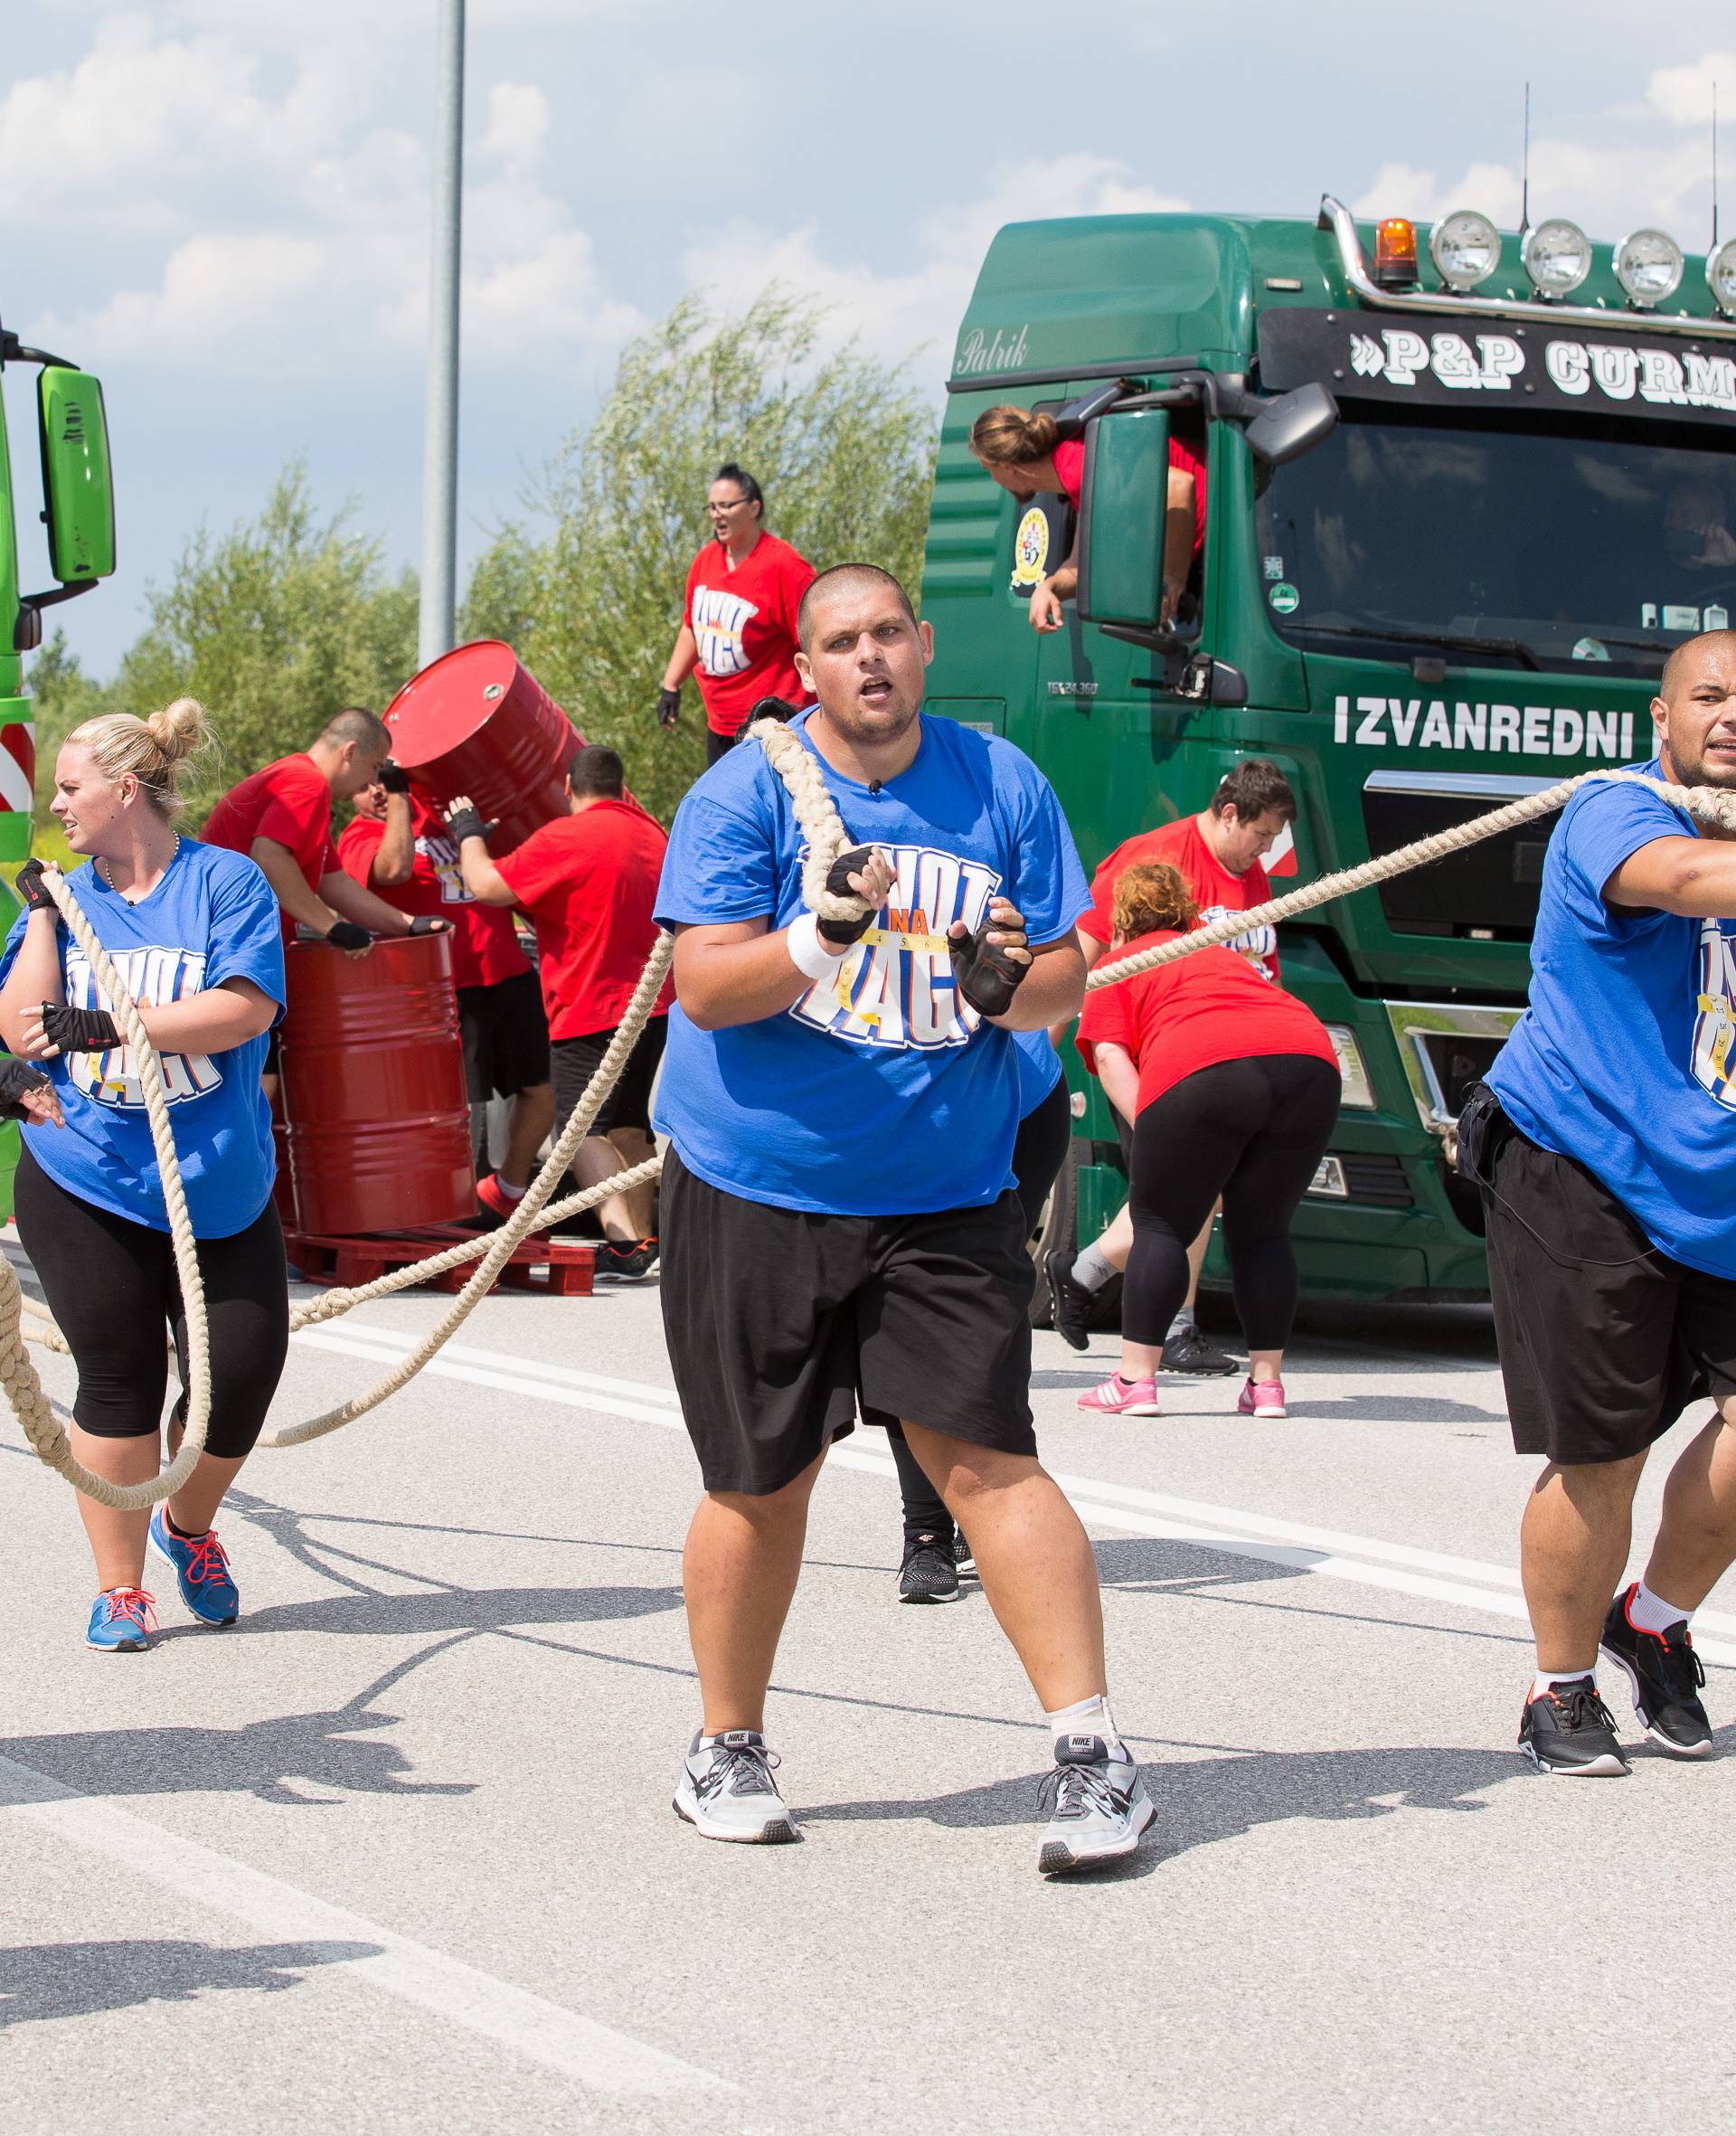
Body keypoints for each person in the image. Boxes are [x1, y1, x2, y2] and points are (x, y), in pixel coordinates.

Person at [653, 559, 1153, 1875]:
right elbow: (705, 985)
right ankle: (726, 1745)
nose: (868, 657)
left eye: (887, 633)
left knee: (987, 1458)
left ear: (924, 648)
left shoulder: (1001, 785)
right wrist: (818, 935)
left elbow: (1064, 977)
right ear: (803, 669)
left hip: (942, 1191)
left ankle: (1096, 1753)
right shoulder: (747, 791)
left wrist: (1004, 983)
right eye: (839, 641)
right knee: (761, 1479)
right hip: (760, 1183)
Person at [1470, 627, 1736, 1776]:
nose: (1731, 716)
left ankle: (1655, 1621)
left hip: (1719, 1177)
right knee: (1603, 1451)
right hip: (1585, 1163)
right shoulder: (1618, 812)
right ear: (1662, 716)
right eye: (1711, 696)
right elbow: (1679, 884)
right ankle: (1560, 1684)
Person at [0, 701, 289, 1650]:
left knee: (241, 1377)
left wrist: (122, 1024)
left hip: (217, 1180)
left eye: (71, 788)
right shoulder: (70, 896)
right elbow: (23, 1026)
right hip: (85, 1174)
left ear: (127, 789)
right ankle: (120, 1587)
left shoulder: (225, 883)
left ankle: (189, 1526)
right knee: (118, 1373)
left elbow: (243, 1009)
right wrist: (44, 914)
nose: (57, 805)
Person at [1047, 759, 1299, 1375]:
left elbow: (1261, 960)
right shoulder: (1158, 855)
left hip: (1220, 1051)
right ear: (1230, 813)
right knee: (1185, 1191)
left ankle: (1087, 1274)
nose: (1265, 850)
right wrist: (1042, 1042)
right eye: (1261, 835)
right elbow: (1089, 941)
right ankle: (1162, 1320)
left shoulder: (1252, 878)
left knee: (1194, 1190)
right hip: (1152, 1047)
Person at [1072, 863, 1339, 1421]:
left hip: (1206, 1066)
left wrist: (1161, 1138)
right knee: (1263, 1232)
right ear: (1188, 914)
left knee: (1161, 1224)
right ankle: (1266, 1388)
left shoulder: (1120, 964)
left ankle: (1134, 1382)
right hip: (1308, 1060)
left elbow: (1109, 1056)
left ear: (1121, 921)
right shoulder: (1222, 955)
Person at [448, 746, 669, 1279]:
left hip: (590, 1007)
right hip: (655, 1006)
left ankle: (620, 1243)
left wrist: (469, 832)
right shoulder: (651, 834)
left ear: (569, 788)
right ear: (620, 785)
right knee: (630, 1126)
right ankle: (642, 1239)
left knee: (579, 1130)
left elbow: (486, 885)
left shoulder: (569, 837)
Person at [887, 1027, 1073, 1603]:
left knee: (983, 1308)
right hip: (884, 1099)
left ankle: (980, 1504)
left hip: (1019, 1094)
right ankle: (928, 1530)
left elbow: (1060, 976)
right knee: (899, 1314)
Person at [337, 762, 554, 1220]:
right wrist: (398, 800)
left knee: (540, 1090)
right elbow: (393, 870)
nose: (375, 791)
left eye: (383, 781)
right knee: (456, 1108)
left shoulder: (443, 815)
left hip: (508, 972)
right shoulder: (358, 836)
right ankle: (449, 1207)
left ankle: (508, 1191)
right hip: (441, 990)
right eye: (364, 787)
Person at [968, 402, 1205, 634]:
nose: (994, 479)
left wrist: (1172, 578)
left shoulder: (1077, 467)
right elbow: (1078, 569)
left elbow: (1178, 485)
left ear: (1008, 466)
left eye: (988, 469)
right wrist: (1047, 588)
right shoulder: (1073, 473)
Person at [656, 464, 816, 766]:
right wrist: (671, 685)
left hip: (775, 725)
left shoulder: (783, 565)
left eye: (727, 505)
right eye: (712, 507)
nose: (717, 514)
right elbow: (693, 626)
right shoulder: (705, 560)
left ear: (754, 508)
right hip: (721, 724)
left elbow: (816, 640)